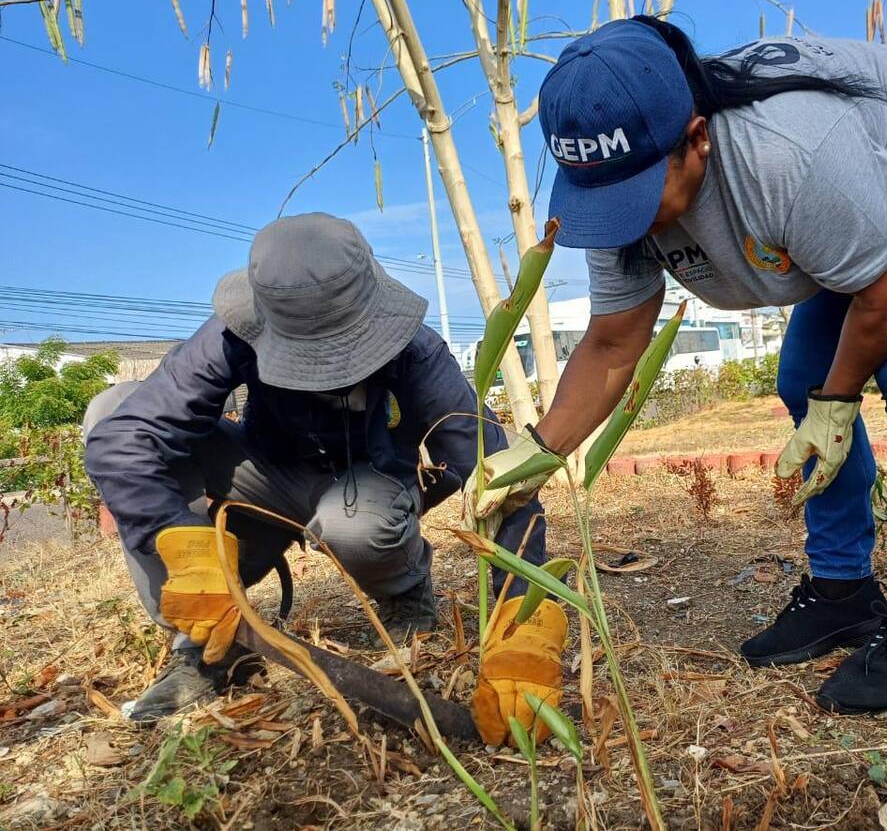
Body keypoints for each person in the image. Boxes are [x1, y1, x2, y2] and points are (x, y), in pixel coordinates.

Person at [469, 17, 887, 713]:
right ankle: (842, 591)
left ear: (697, 139)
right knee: (804, 375)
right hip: (857, 202)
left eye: (638, 198)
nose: (627, 223)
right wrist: (537, 454)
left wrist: (839, 403)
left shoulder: (787, 155)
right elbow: (614, 343)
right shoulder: (619, 179)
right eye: (604, 202)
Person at [85, 213, 565, 743]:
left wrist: (525, 618)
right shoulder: (231, 336)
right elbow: (124, 440)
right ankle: (204, 640)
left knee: (353, 523)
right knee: (113, 412)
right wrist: (178, 540)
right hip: (259, 477)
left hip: (366, 486)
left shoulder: (415, 350)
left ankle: (404, 590)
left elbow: (497, 475)